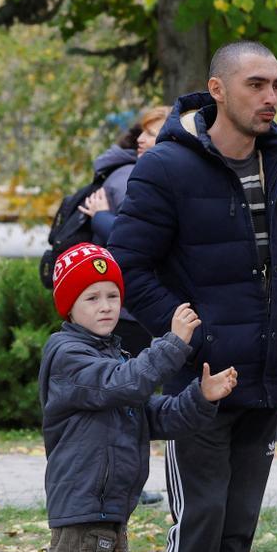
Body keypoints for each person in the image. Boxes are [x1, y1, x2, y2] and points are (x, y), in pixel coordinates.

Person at [109, 40, 277, 552]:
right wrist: (191, 338)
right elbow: (130, 267)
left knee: (237, 533)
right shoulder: (166, 166)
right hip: (198, 388)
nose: (270, 97)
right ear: (217, 90)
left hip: (266, 379)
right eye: (256, 85)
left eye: (276, 85)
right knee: (200, 524)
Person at [37, 242, 237, 552]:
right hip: (82, 507)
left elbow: (154, 414)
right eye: (91, 298)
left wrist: (201, 397)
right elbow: (125, 384)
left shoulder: (113, 357)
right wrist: (172, 345)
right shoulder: (67, 356)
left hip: (112, 509)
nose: (106, 306)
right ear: (69, 307)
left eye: (111, 295)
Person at [79, 106, 172, 506]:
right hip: (131, 307)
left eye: (150, 133)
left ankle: (123, 479)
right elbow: (129, 240)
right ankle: (122, 480)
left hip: (137, 305)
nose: (140, 138)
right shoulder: (132, 176)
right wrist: (103, 219)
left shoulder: (135, 175)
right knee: (128, 397)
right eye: (141, 131)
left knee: (132, 396)